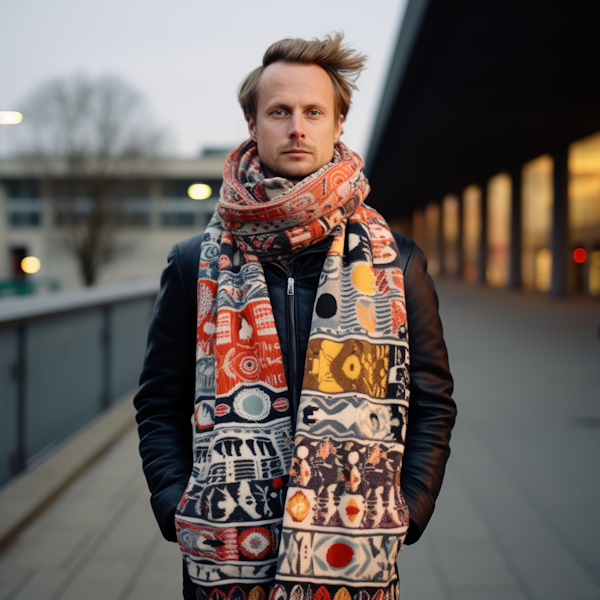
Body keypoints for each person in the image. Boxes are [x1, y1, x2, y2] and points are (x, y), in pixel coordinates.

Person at [134, 33, 456, 600]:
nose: (297, 127)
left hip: (356, 550)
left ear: (338, 125)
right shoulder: (193, 263)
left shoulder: (397, 260)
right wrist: (175, 506)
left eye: (314, 111)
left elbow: (432, 402)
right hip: (224, 555)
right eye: (279, 111)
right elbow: (159, 402)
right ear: (253, 125)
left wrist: (411, 509)